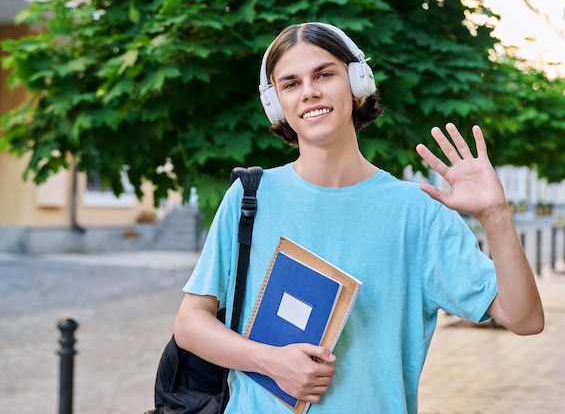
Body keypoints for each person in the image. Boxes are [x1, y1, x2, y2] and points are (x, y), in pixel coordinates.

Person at [173, 21, 544, 413]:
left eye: (324, 74)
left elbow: (523, 318)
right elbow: (190, 323)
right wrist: (270, 361)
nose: (309, 92)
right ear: (276, 102)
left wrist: (496, 215)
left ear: (357, 81)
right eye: (290, 83)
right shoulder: (250, 197)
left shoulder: (417, 211)